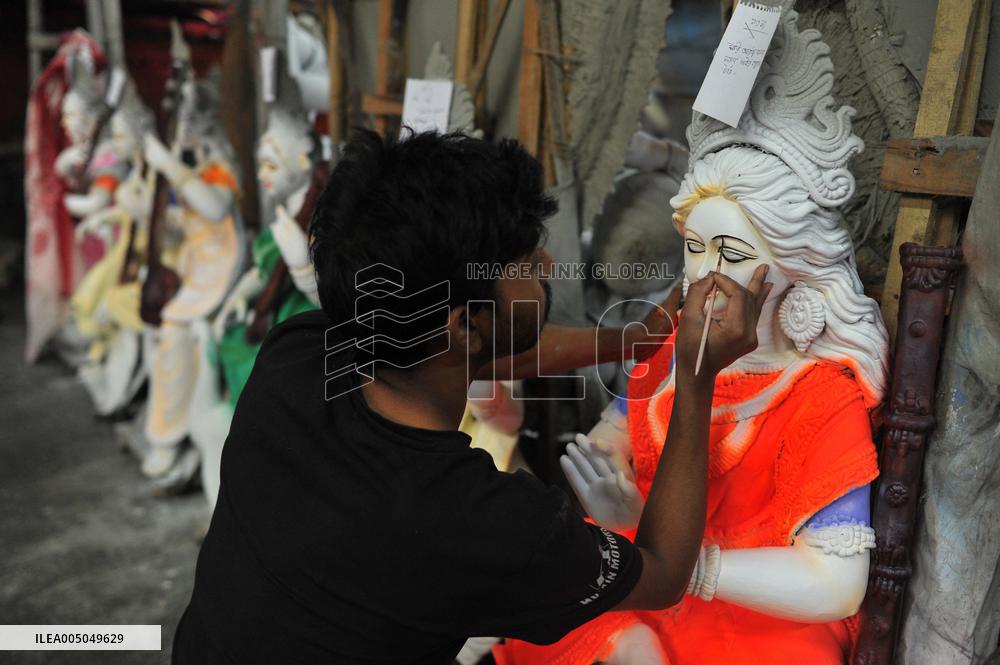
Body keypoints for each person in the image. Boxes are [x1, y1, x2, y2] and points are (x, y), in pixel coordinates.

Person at [172, 130, 771, 664]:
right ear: (463, 325)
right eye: (524, 261)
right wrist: (695, 376)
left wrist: (636, 340)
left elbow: (478, 346)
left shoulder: (300, 357)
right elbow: (664, 572)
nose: (548, 264)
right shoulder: (474, 520)